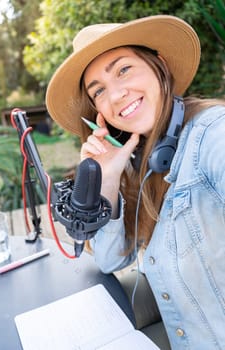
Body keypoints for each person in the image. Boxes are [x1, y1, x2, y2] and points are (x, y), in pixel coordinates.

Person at [46, 15, 225, 350]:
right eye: (98, 90)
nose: (114, 96)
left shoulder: (213, 134)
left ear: (159, 66)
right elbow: (110, 261)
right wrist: (109, 177)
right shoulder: (146, 161)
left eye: (123, 70)